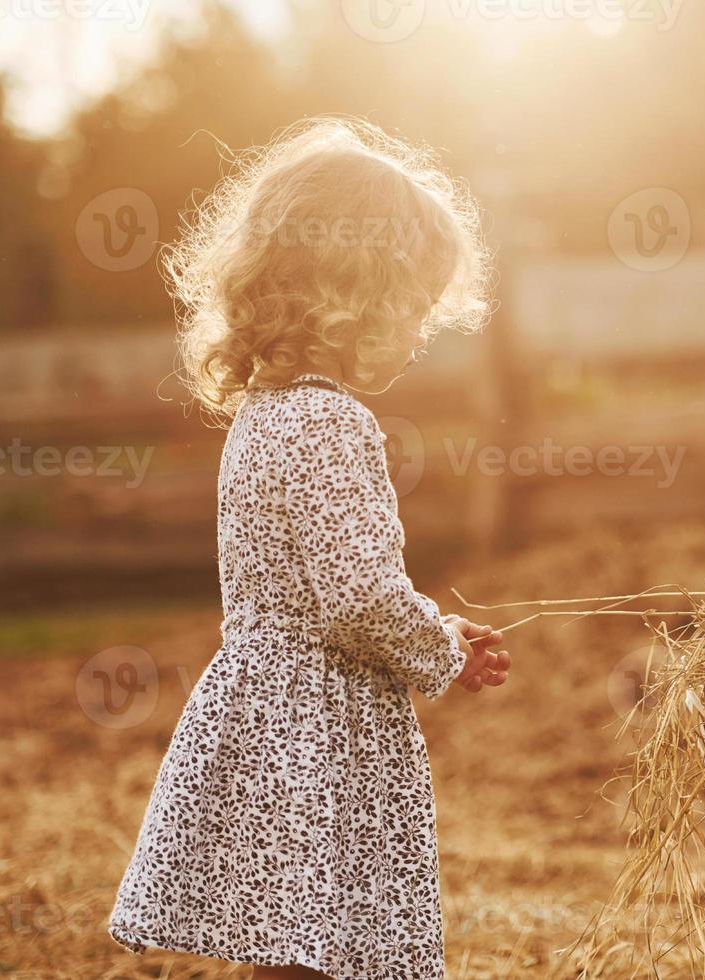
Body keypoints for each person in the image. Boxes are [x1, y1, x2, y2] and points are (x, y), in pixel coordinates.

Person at [108, 117, 511, 979]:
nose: (417, 334)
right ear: (350, 294)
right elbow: (358, 595)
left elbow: (320, 581)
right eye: (412, 307)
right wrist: (439, 646)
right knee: (320, 947)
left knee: (288, 939)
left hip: (265, 709)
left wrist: (430, 626)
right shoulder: (334, 423)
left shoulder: (262, 419)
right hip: (319, 729)